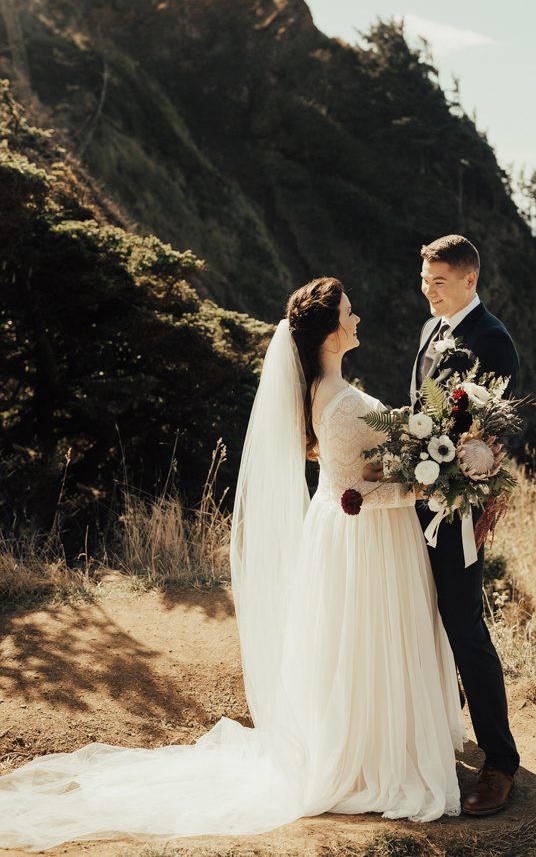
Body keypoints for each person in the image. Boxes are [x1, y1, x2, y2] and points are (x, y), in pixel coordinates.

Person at [0, 276, 465, 850]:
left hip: (359, 538)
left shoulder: (331, 389)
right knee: (366, 641)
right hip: (361, 542)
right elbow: (354, 495)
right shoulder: (341, 405)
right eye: (350, 312)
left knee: (360, 644)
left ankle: (376, 740)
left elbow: (357, 479)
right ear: (328, 331)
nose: (358, 318)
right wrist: (426, 485)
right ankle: (373, 755)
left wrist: (419, 471)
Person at [411, 234, 520, 816]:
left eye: (439, 282)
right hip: (415, 499)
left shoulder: (492, 342)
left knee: (465, 627)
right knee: (417, 615)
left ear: (469, 280)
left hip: (457, 507)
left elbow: (491, 440)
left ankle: (501, 764)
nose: (427, 290)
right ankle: (436, 729)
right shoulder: (431, 329)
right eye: (425, 280)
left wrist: (457, 475)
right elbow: (420, 409)